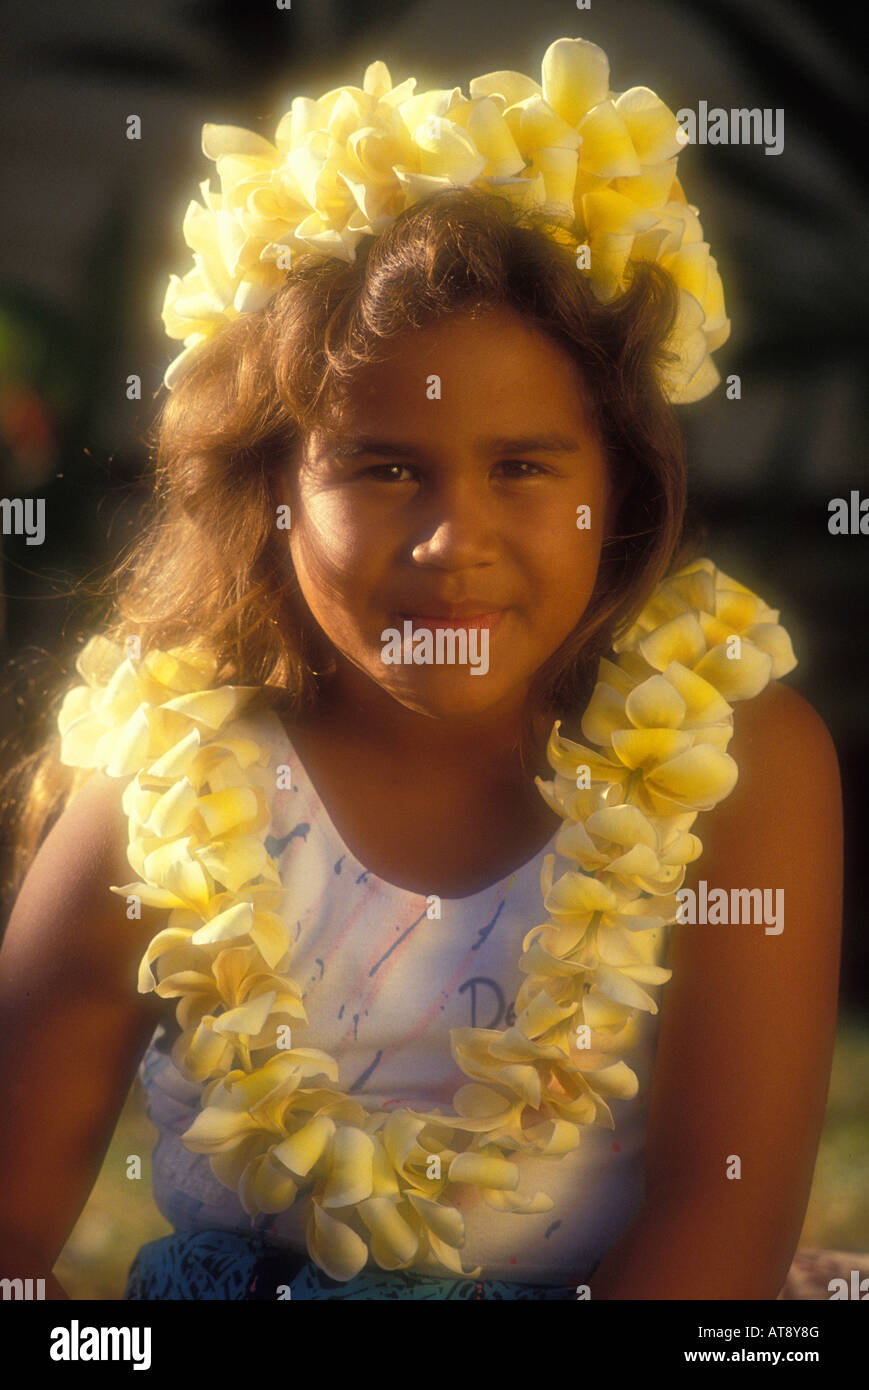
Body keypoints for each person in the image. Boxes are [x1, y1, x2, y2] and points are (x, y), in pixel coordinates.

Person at [0, 37, 842, 1301]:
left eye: (522, 467)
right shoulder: (163, 790)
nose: (455, 543)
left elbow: (715, 1230)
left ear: (616, 485)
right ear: (268, 492)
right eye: (382, 467)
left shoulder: (735, 765)